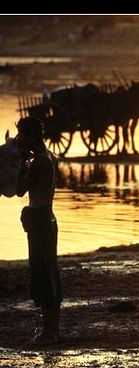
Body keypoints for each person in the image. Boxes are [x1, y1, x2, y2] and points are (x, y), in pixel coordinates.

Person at [15, 117, 62, 345]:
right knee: (49, 269)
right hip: (48, 217)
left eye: (22, 135)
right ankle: (52, 328)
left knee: (41, 270)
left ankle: (49, 332)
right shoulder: (51, 157)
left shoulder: (38, 162)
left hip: (40, 218)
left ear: (31, 137)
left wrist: (22, 162)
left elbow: (18, 189)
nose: (18, 139)